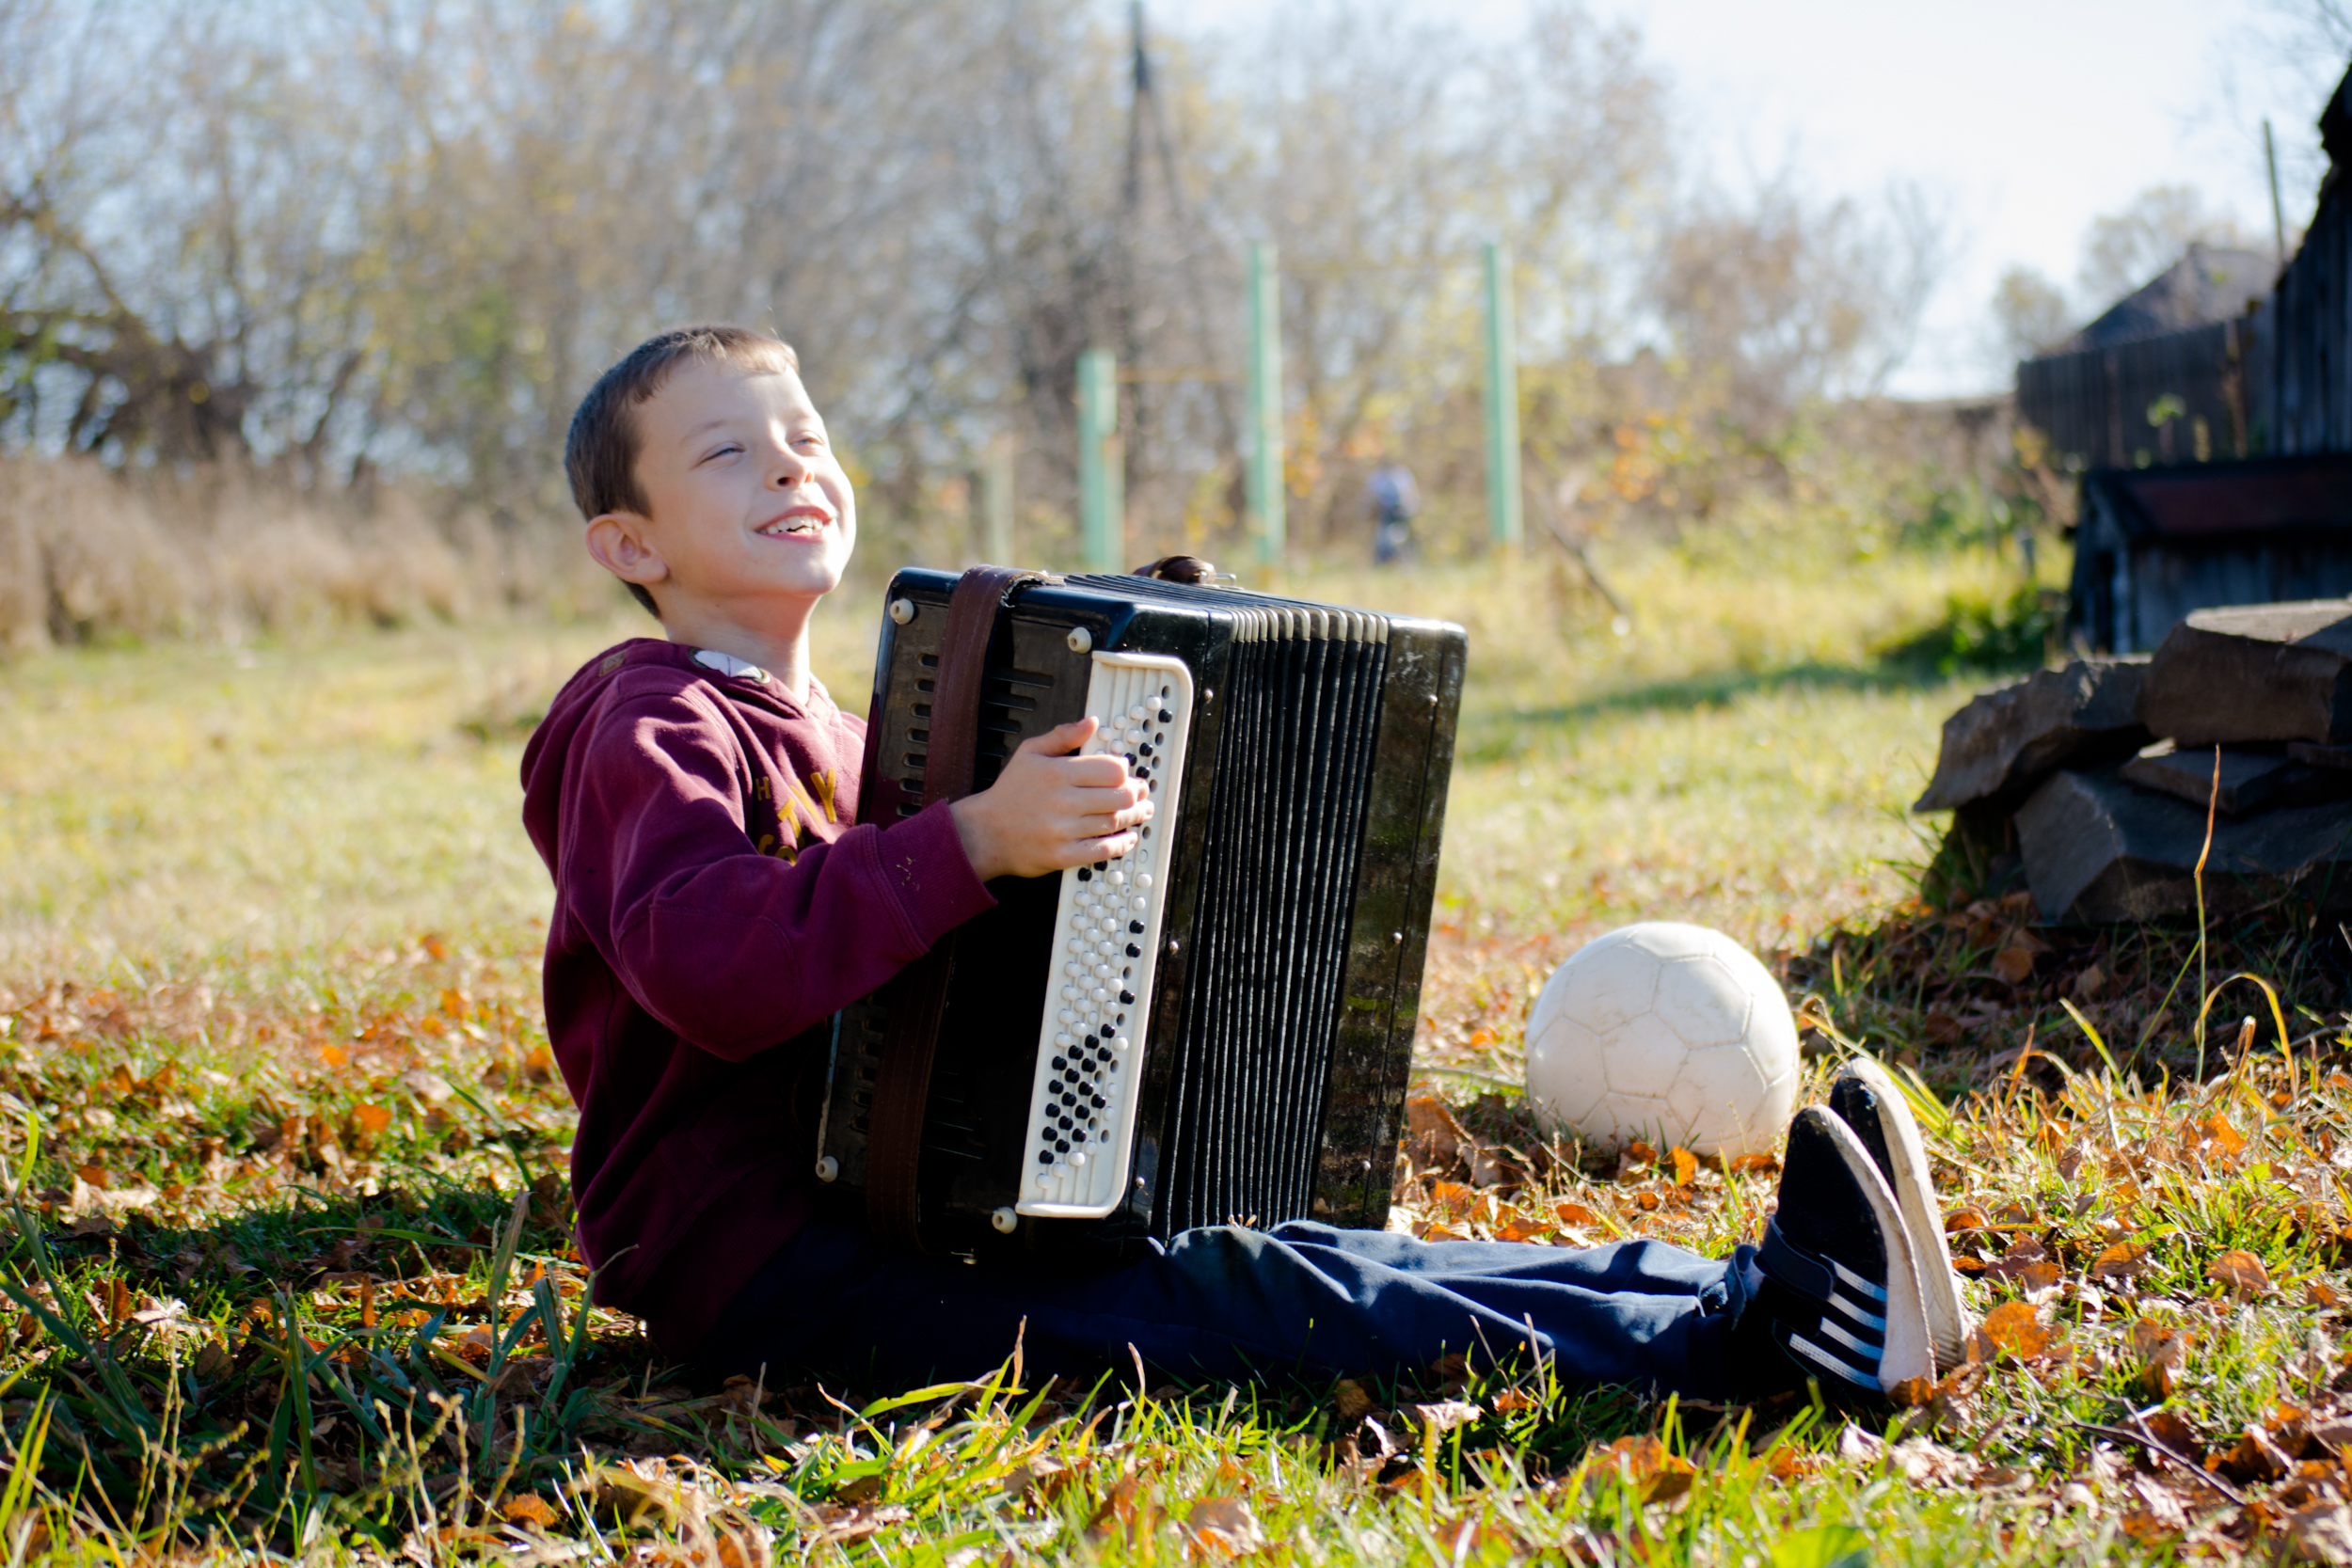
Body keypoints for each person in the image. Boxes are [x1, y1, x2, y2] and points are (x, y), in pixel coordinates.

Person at [521, 325, 1973, 1405]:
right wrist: (972, 837)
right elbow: (709, 958)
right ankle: (1749, 1349)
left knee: (1274, 1251)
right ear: (627, 538)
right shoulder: (638, 713)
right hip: (762, 1265)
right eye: (728, 450)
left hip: (897, 1214)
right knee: (1238, 1301)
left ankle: (1751, 1291)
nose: (789, 462)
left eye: (806, 436)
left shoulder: (856, 726)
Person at [1368, 461, 1420, 565]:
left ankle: (1406, 563)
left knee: (1402, 538)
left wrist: (1409, 508)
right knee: (1383, 539)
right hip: (1383, 513)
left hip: (1401, 512)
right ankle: (1382, 563)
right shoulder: (1378, 475)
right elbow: (1370, 496)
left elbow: (1410, 494)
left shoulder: (1402, 474)